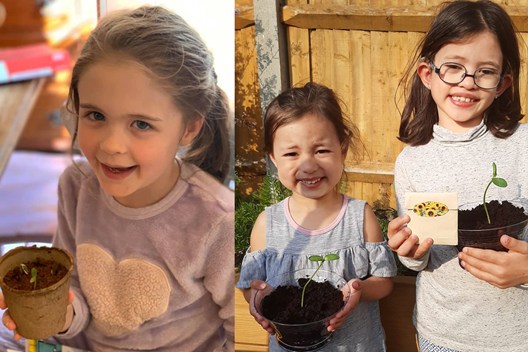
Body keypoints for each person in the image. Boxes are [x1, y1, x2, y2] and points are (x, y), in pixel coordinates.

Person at [0, 6, 233, 351]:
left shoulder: (216, 221)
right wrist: (59, 314)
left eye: (141, 124)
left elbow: (239, 330)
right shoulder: (75, 186)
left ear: (189, 127)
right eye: (95, 115)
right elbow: (74, 288)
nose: (110, 145)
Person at [387, 1, 528, 351]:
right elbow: (418, 259)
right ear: (427, 74)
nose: (467, 83)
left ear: (503, 83)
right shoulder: (412, 162)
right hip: (443, 336)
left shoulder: (522, 146)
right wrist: (409, 252)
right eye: (453, 67)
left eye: (485, 71)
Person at [236, 82, 397, 351]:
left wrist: (358, 290)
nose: (309, 165)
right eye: (291, 153)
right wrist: (257, 297)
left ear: (342, 149)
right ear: (273, 158)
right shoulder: (267, 224)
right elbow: (249, 287)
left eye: (321, 150)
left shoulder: (360, 217)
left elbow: (384, 283)